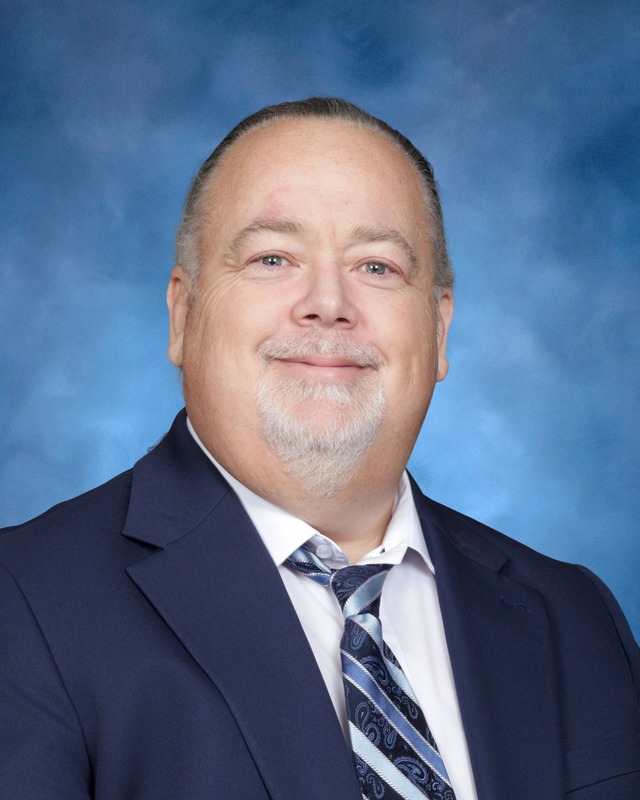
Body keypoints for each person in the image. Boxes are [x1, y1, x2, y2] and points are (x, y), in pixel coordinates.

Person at [0, 98, 638, 800]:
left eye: (377, 266)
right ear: (182, 314)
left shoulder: (574, 613)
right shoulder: (23, 600)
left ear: (439, 328)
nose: (328, 302)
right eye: (273, 258)